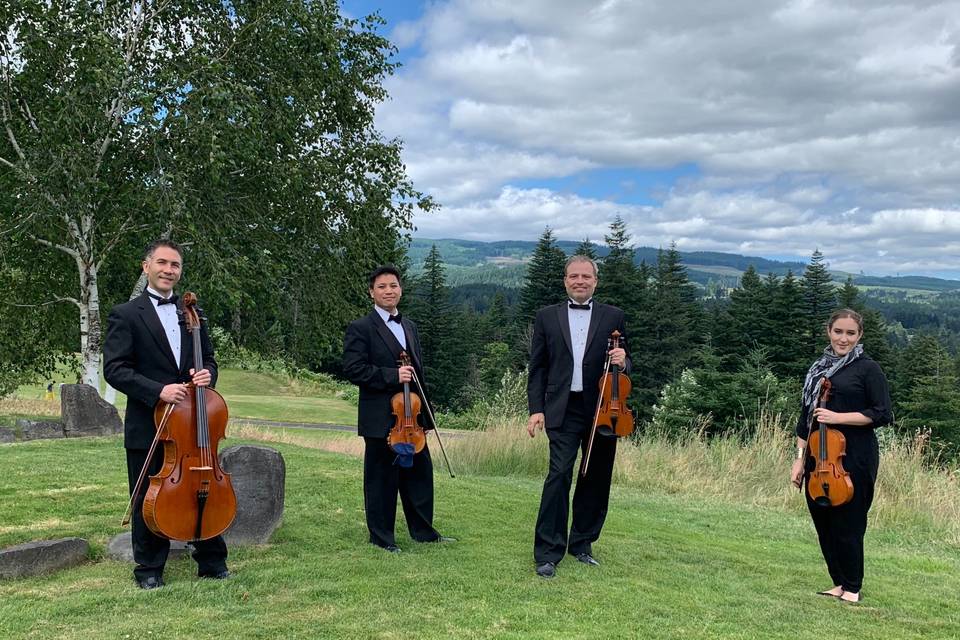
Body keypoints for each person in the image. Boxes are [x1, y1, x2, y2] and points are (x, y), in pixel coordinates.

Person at [103, 239, 229, 590]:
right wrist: (157, 390)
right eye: (162, 263)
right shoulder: (126, 314)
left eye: (175, 265)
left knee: (199, 488)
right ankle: (149, 569)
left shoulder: (194, 315)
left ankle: (212, 560)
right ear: (146, 267)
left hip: (193, 424)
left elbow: (210, 361)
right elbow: (114, 369)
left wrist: (208, 375)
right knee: (148, 495)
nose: (168, 270)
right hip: (149, 422)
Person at [526, 255, 629, 578]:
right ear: (565, 281)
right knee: (558, 475)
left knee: (595, 478)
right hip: (562, 408)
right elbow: (538, 368)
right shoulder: (546, 317)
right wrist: (536, 409)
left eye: (586, 276)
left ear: (595, 281)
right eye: (574, 276)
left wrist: (623, 360)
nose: (580, 281)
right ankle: (547, 552)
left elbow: (627, 366)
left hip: (602, 409)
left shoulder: (614, 316)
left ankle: (582, 544)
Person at [342, 265, 454, 553]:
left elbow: (418, 374)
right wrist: (392, 376)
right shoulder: (361, 328)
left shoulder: (410, 326)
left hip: (412, 420)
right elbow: (354, 370)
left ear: (400, 289)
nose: (388, 291)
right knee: (381, 480)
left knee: (420, 475)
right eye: (382, 287)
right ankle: (382, 538)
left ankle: (424, 532)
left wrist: (426, 416)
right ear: (371, 292)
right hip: (381, 419)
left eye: (393, 285)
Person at [789, 308, 892, 603]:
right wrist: (798, 460)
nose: (843, 339)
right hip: (817, 455)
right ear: (829, 331)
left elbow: (882, 414)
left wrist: (838, 417)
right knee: (823, 519)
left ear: (859, 336)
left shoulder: (867, 369)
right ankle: (838, 581)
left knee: (849, 522)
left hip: (854, 456)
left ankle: (853, 587)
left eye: (850, 333)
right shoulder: (818, 369)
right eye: (838, 332)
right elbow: (805, 419)